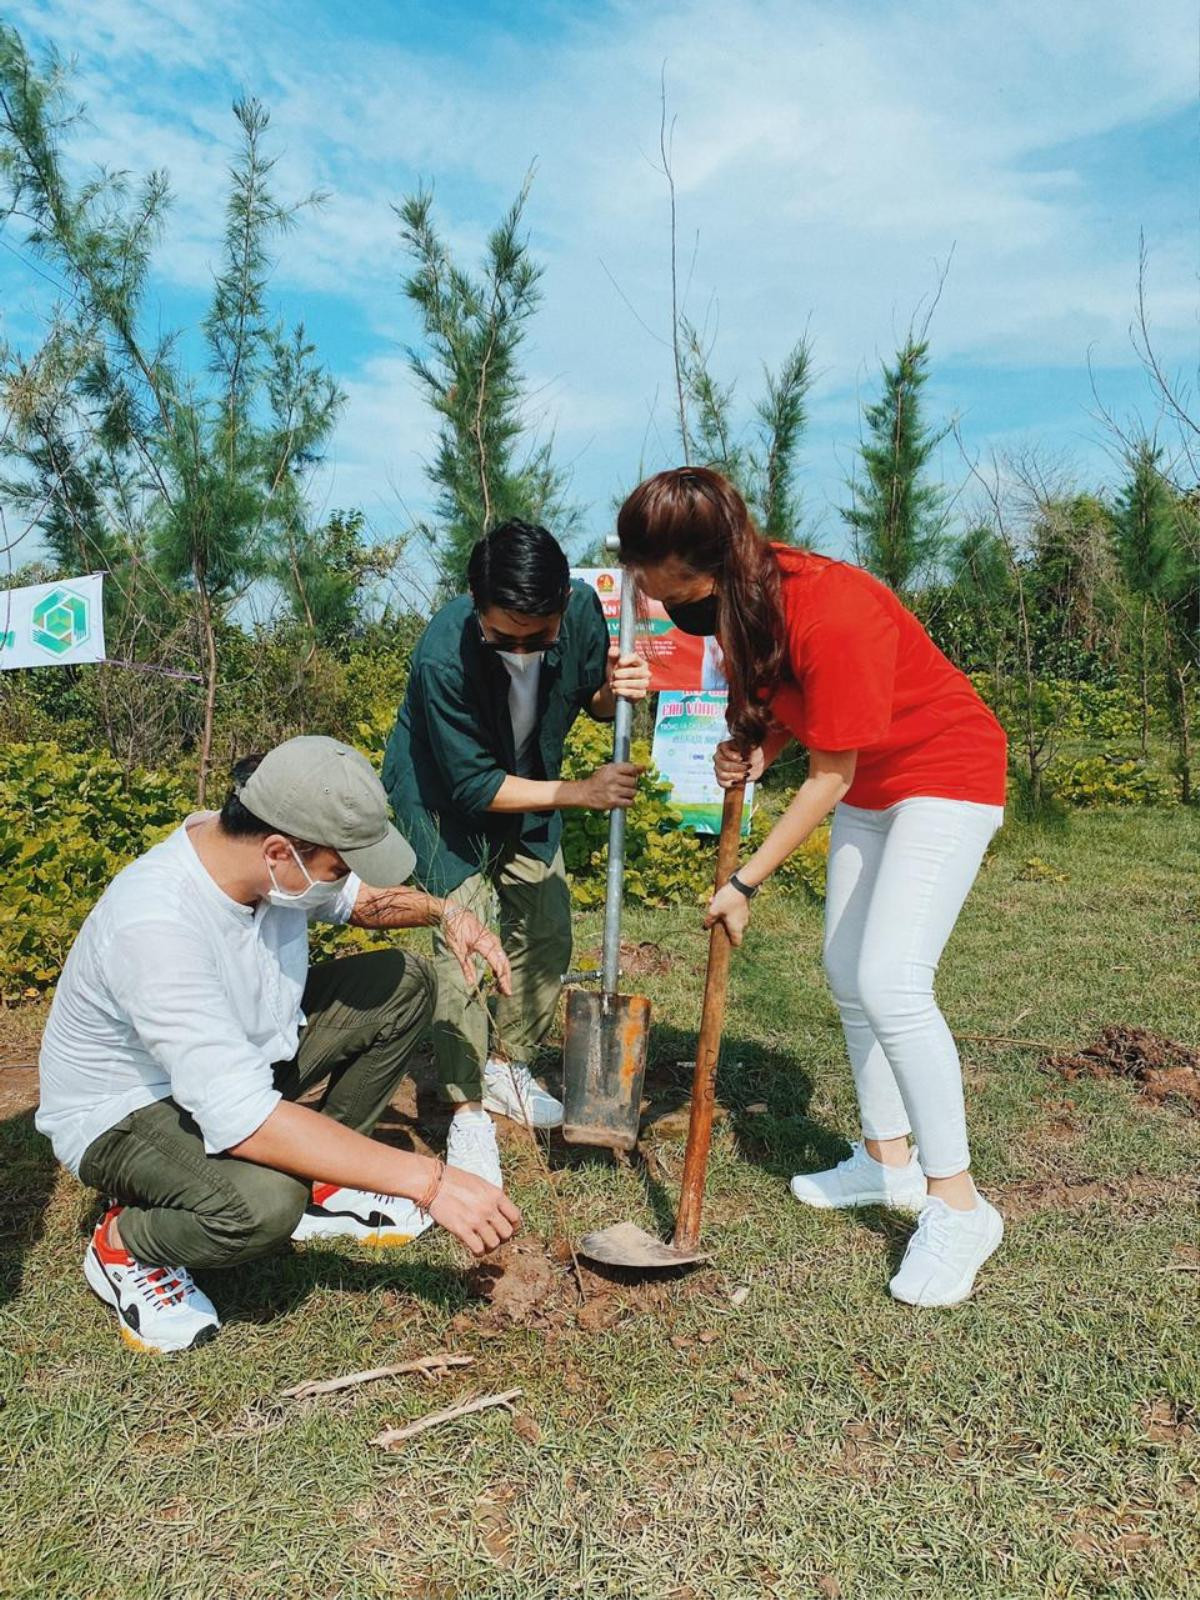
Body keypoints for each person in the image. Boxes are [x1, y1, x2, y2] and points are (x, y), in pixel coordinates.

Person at [617, 468, 1009, 1308]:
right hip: (872, 785)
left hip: (945, 774)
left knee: (892, 981)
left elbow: (833, 770)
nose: (652, 597)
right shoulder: (745, 599)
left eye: (659, 581)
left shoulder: (834, 607)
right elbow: (802, 718)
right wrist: (758, 751)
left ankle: (960, 1205)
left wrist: (747, 881)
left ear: (705, 564)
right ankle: (885, 1158)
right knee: (844, 971)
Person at [37, 736, 521, 1353]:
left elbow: (363, 903)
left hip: (240, 1060)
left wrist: (445, 913)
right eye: (338, 867)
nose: (342, 882)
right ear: (278, 851)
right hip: (128, 1110)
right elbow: (241, 1120)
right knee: (265, 1204)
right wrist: (429, 1181)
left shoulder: (265, 857)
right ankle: (127, 1242)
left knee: (402, 981)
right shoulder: (157, 925)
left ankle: (323, 1181)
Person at [383, 519, 651, 1188]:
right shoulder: (445, 654)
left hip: (532, 782)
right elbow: (472, 782)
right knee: (464, 944)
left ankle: (510, 1066)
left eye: (541, 637)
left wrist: (615, 690)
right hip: (442, 800)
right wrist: (580, 792)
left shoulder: (583, 611)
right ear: (477, 608)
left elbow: (590, 700)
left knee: (547, 923)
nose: (524, 650)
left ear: (563, 602)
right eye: (506, 638)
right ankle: (469, 1108)